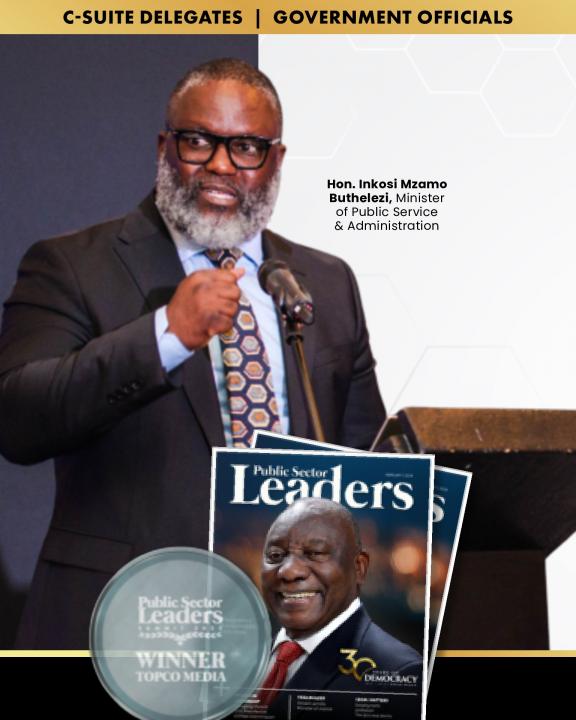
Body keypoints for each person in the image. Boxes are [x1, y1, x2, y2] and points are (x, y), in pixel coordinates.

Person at [0, 58, 385, 649]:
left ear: (276, 160)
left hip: (286, 631)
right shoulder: (73, 265)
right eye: (199, 141)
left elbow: (367, 460)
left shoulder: (326, 284)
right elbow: (18, 419)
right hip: (129, 623)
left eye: (247, 148)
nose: (221, 166)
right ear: (165, 147)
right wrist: (167, 335)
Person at [257, 498, 422, 718]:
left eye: (315, 553)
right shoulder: (239, 657)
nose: (288, 571)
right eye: (276, 556)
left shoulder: (399, 672)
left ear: (359, 568)